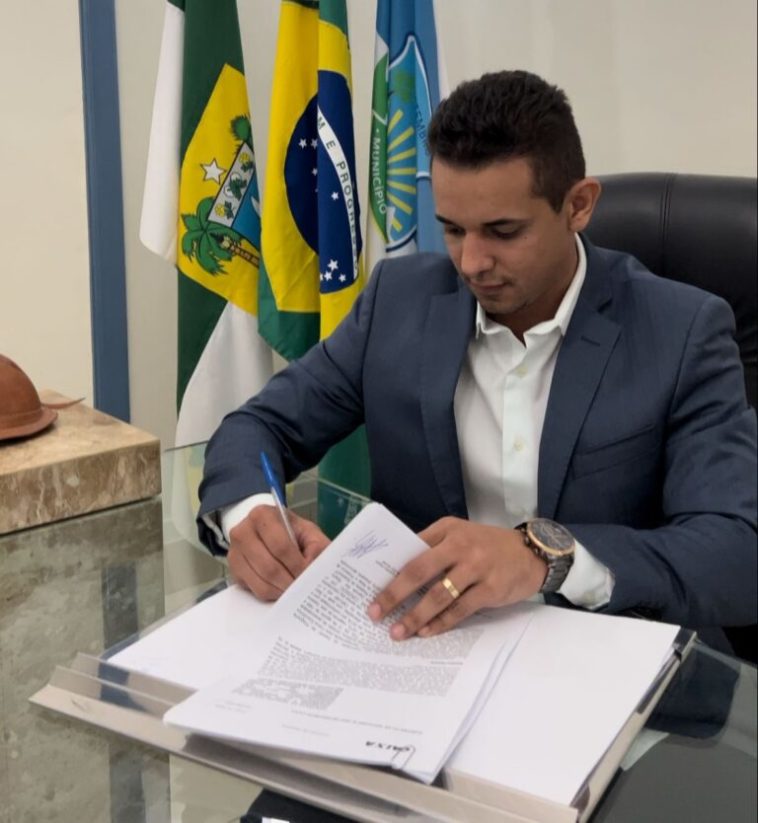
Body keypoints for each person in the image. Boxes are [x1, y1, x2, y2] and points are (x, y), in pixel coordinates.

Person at [198, 70, 757, 650]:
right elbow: (257, 427)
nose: (470, 263)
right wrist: (249, 515)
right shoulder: (398, 302)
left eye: (503, 231)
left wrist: (544, 557)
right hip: (428, 649)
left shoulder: (682, 331)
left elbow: (738, 551)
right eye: (453, 230)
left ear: (578, 205)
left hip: (614, 657)